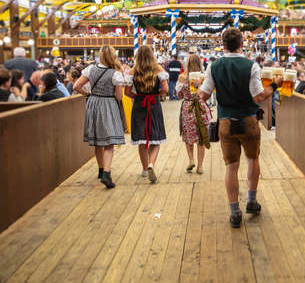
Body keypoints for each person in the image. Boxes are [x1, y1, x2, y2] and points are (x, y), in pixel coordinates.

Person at [199, 28, 283, 228]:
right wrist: (275, 85)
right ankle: (252, 202)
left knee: (231, 167)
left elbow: (203, 95)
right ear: (241, 44)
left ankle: (235, 212)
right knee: (252, 160)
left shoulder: (213, 66)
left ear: (223, 44)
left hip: (226, 122)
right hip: (249, 121)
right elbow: (259, 97)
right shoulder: (251, 66)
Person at [73, 46, 126, 189]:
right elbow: (119, 97)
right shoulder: (115, 74)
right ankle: (107, 174)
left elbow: (76, 86)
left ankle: (101, 169)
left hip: (93, 103)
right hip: (108, 104)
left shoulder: (90, 69)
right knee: (109, 142)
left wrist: (88, 95)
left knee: (97, 139)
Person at [125, 45, 169, 183]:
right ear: (152, 55)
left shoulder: (133, 71)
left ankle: (145, 169)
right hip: (154, 104)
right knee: (155, 138)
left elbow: (127, 92)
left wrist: (138, 97)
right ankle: (151, 164)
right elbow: (166, 89)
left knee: (142, 139)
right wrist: (156, 95)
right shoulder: (158, 69)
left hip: (139, 105)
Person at [176, 54, 211, 174]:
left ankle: (191, 160)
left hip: (188, 108)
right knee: (201, 136)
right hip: (201, 107)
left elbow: (179, 95)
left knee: (188, 136)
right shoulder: (204, 77)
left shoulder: (182, 77)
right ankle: (200, 166)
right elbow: (207, 94)